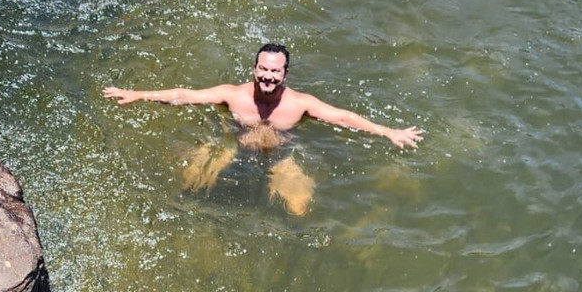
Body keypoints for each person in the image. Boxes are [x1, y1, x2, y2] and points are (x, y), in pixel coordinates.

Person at [104, 44, 423, 215]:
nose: (268, 76)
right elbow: (185, 96)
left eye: (275, 71)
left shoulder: (300, 104)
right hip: (231, 146)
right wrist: (138, 95)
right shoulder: (233, 95)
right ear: (255, 68)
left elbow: (342, 117)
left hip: (281, 157)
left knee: (299, 210)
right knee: (189, 186)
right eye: (263, 69)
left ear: (285, 74)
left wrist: (387, 132)